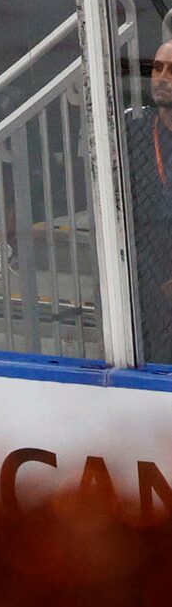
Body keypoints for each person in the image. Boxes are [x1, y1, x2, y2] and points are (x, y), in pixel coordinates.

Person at [124, 33, 172, 361]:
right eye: (157, 69)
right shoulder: (135, 135)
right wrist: (162, 280)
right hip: (155, 284)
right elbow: (131, 219)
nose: (162, 79)